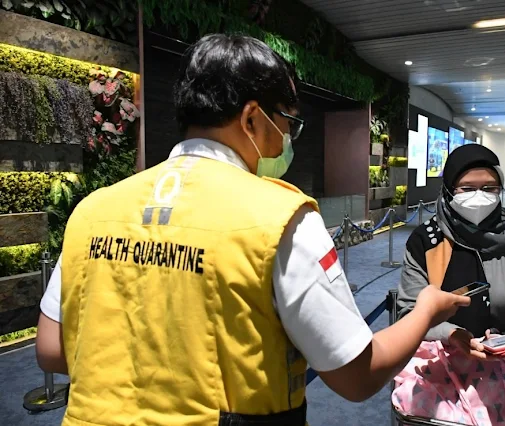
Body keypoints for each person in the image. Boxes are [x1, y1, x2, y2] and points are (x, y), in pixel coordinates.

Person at [35, 34, 470, 426]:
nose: (287, 139)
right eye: (288, 122)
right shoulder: (281, 217)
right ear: (251, 119)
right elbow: (356, 376)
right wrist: (425, 310)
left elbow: (52, 349)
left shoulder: (94, 210)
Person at [394, 144, 505, 425]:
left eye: (489, 188)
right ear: (449, 190)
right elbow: (410, 310)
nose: (479, 196)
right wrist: (451, 334)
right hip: (442, 363)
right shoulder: (425, 241)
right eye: (467, 188)